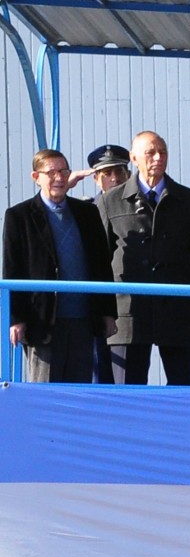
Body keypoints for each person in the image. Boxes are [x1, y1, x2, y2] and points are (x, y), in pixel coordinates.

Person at [97, 130, 190, 385]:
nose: (158, 158)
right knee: (128, 393)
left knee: (181, 390)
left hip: (175, 308)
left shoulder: (189, 201)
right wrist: (105, 312)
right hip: (128, 312)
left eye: (163, 152)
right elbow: (101, 260)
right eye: (150, 153)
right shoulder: (110, 201)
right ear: (133, 158)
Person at [4, 149, 117, 382]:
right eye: (52, 172)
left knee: (78, 391)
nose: (59, 178)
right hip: (43, 320)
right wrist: (15, 318)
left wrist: (108, 312)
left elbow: (101, 264)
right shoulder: (20, 216)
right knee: (44, 390)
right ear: (36, 177)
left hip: (82, 318)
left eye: (64, 171)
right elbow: (12, 268)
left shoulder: (87, 212)